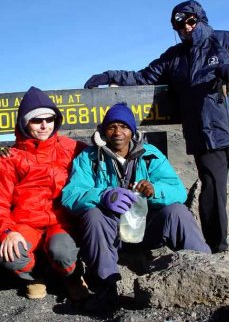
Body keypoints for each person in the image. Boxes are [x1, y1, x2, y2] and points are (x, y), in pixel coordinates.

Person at [83, 0, 229, 267]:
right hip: (205, 135)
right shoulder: (174, 57)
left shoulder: (228, 41)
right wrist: (108, 75)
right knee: (212, 194)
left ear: (201, 19)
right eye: (179, 25)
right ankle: (217, 251)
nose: (186, 28)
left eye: (190, 22)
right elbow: (144, 77)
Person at [61, 102, 210, 311]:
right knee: (93, 215)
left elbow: (178, 190)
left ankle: (205, 269)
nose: (118, 132)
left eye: (124, 126)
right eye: (112, 126)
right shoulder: (89, 158)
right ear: (103, 130)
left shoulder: (149, 154)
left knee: (177, 212)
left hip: (146, 228)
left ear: (132, 131)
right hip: (109, 233)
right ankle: (106, 288)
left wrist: (155, 191)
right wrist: (104, 195)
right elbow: (71, 196)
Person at [0, 86, 89, 301]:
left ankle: (72, 276)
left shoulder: (73, 148)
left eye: (49, 119)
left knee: (62, 252)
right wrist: (7, 231)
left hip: (61, 221)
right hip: (25, 223)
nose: (44, 125)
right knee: (10, 257)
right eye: (36, 120)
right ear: (24, 122)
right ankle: (36, 276)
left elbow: (97, 163)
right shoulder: (9, 158)